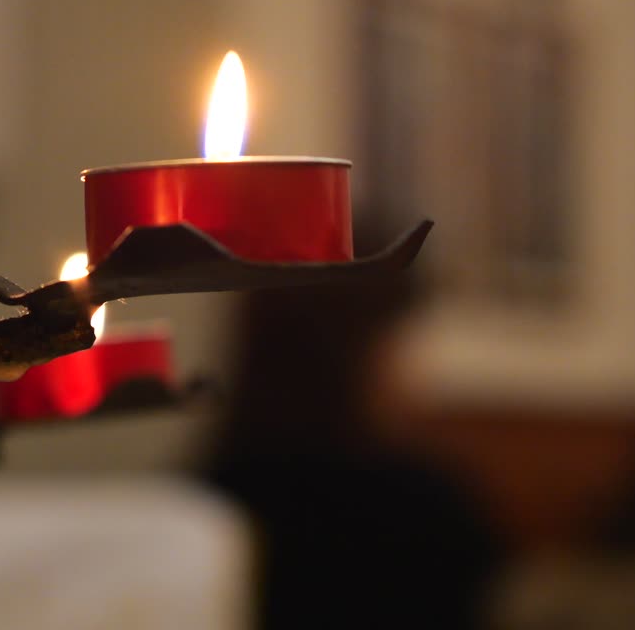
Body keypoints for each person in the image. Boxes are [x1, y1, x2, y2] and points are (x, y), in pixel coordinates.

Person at [202, 252, 498, 630]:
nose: (420, 368)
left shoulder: (204, 506)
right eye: (401, 337)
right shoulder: (423, 512)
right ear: (355, 349)